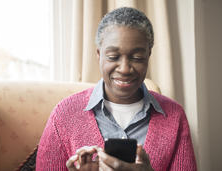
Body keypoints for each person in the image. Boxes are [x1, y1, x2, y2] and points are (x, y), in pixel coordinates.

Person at [36, 7, 197, 171]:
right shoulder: (64, 115)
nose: (125, 69)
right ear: (99, 55)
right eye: (113, 57)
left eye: (137, 58)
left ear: (148, 55)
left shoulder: (174, 116)